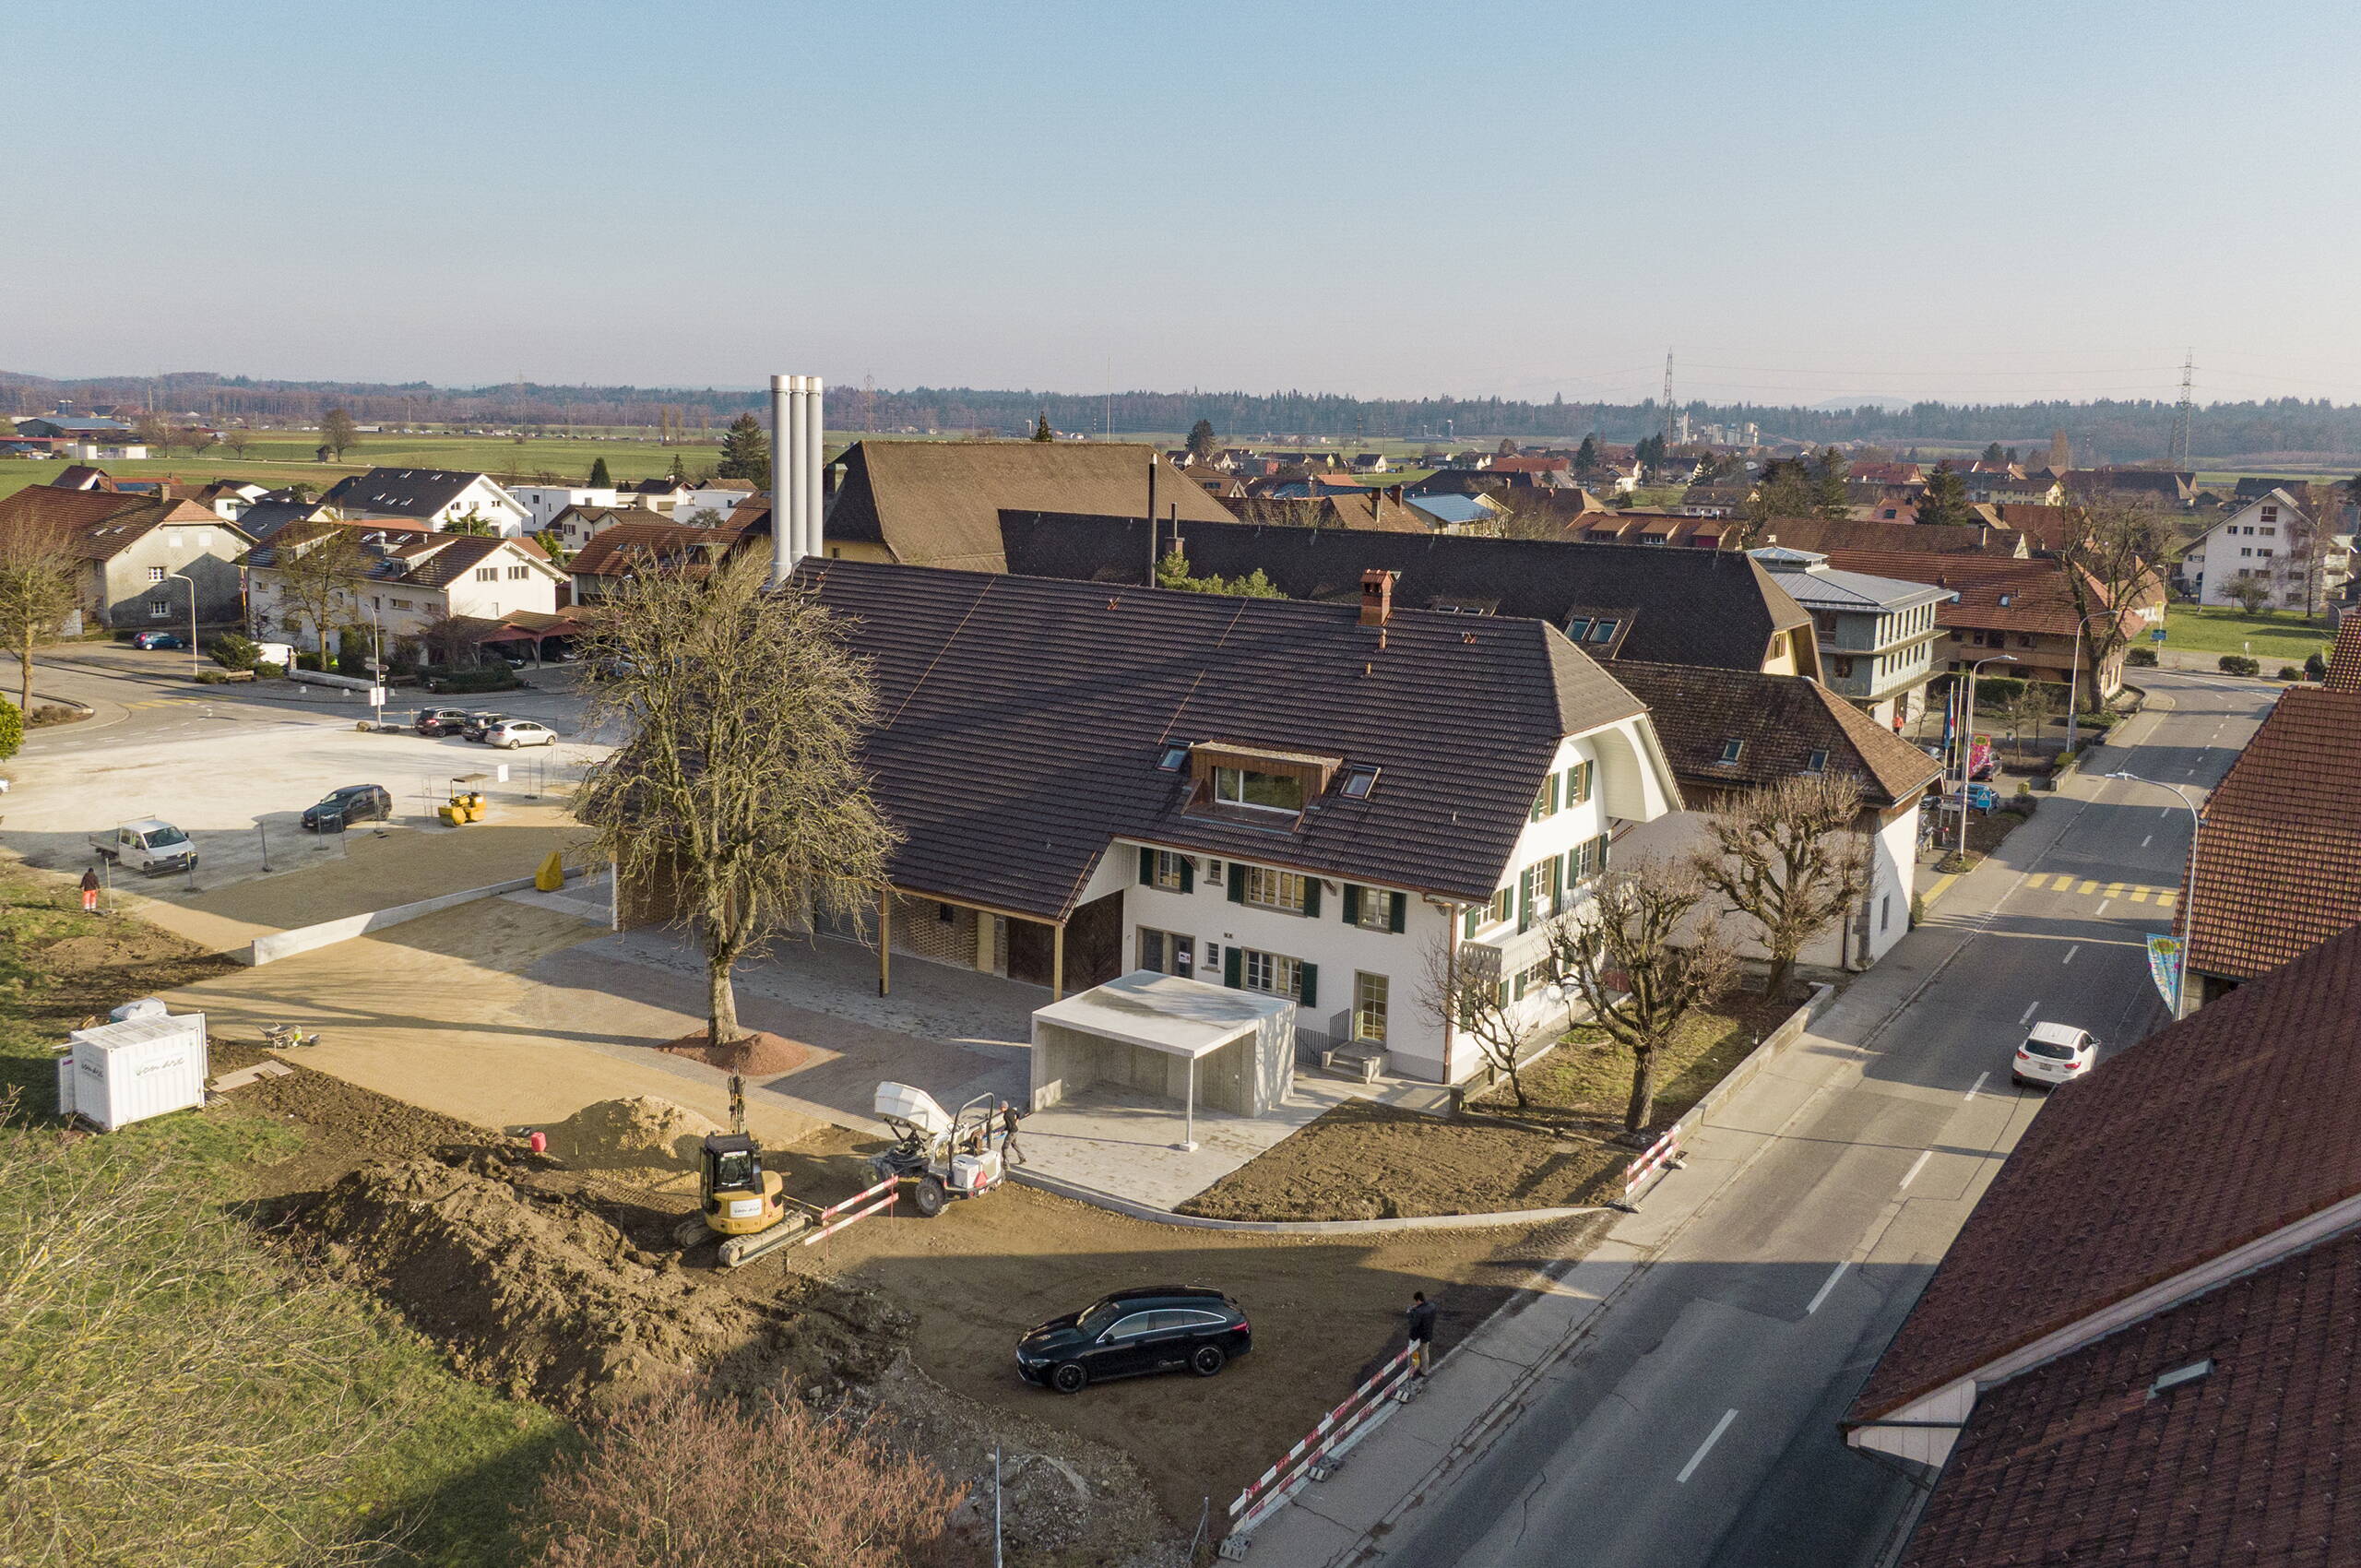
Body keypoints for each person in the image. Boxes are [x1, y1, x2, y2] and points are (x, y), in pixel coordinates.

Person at [1406, 1290, 1438, 1376]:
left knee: (1415, 1352)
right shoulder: (1432, 1306)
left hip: (1417, 1335)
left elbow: (1414, 1323)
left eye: (1416, 1301)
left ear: (1419, 1300)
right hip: (1427, 1333)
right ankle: (1425, 1370)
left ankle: (1415, 1368)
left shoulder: (1419, 1312)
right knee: (1424, 1352)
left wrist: (1409, 1314)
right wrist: (1416, 1308)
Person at [999, 1102, 1026, 1167]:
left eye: (1001, 1107)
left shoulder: (1005, 1116)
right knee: (1014, 1145)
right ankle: (1022, 1158)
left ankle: (1006, 1163)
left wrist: (1003, 1130)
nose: (999, 1109)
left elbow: (1009, 1126)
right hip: (1016, 1131)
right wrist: (1017, 1121)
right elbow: (1020, 1114)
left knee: (1004, 1148)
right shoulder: (1011, 1110)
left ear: (1004, 1107)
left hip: (1012, 1133)